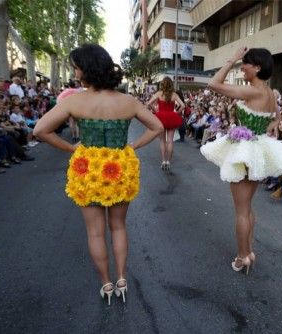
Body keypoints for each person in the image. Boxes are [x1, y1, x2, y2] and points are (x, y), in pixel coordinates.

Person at [33, 44, 164, 305]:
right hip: (120, 168)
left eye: (77, 66)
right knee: (118, 226)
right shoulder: (128, 101)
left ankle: (106, 283)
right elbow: (157, 127)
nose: (75, 71)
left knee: (95, 232)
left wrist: (71, 148)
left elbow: (40, 130)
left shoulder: (75, 101)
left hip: (88, 169)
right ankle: (122, 280)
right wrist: (133, 146)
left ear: (86, 69)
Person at [200, 47, 282, 274]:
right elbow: (275, 118)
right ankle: (249, 251)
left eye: (245, 63)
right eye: (241, 63)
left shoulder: (253, 92)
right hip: (256, 150)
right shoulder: (270, 92)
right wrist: (270, 127)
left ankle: (242, 256)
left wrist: (230, 60)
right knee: (247, 208)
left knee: (241, 211)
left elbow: (213, 85)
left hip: (246, 153)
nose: (242, 67)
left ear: (258, 67)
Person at [147, 76, 185, 171]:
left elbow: (149, 103)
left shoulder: (159, 93)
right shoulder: (174, 94)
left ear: (162, 84)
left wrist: (155, 110)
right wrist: (178, 112)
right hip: (171, 117)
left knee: (162, 141)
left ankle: (163, 161)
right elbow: (183, 105)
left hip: (160, 117)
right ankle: (168, 161)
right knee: (170, 141)